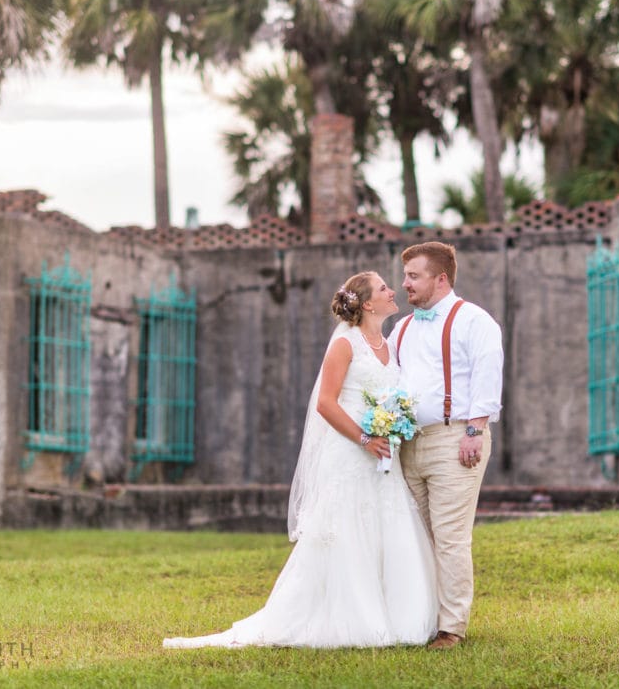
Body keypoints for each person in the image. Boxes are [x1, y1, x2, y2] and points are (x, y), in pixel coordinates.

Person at [163, 272, 437, 649]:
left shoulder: (388, 345)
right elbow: (326, 402)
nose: (394, 291)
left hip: (383, 455)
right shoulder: (345, 343)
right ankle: (351, 619)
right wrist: (364, 437)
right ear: (369, 303)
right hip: (351, 451)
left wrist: (393, 424)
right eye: (384, 288)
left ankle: (397, 616)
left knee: (384, 528)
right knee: (347, 532)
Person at [389, 242, 504, 650]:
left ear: (441, 278)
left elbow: (488, 376)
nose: (405, 284)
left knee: (451, 536)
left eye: (413, 276)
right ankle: (422, 618)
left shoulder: (474, 321)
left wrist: (474, 431)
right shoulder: (401, 327)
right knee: (417, 536)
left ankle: (451, 627)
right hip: (408, 443)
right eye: (405, 277)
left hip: (456, 439)